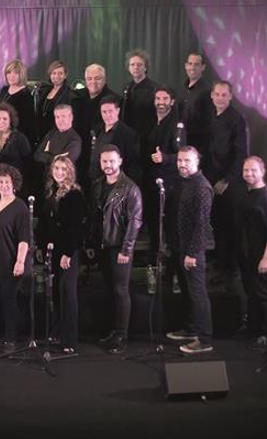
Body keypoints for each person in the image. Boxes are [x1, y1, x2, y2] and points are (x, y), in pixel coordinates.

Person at [86, 146, 142, 354]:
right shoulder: (98, 185)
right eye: (104, 162)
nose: (107, 165)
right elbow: (94, 218)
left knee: (120, 291)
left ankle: (122, 336)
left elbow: (135, 222)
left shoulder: (130, 188)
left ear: (120, 161)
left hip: (119, 247)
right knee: (111, 291)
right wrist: (91, 244)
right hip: (103, 246)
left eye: (111, 161)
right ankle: (113, 331)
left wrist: (126, 250)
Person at [165, 146, 215, 354]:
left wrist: (193, 253)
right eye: (179, 161)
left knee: (197, 293)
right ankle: (191, 329)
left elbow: (202, 224)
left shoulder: (202, 187)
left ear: (197, 162)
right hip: (179, 246)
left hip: (192, 250)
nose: (182, 164)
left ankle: (204, 339)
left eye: (187, 161)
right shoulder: (182, 183)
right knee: (186, 291)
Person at [205, 81, 249, 293]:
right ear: (212, 96)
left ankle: (230, 271)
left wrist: (226, 180)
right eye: (217, 94)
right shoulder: (211, 116)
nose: (220, 97)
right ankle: (220, 265)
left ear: (230, 97)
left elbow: (241, 154)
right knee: (217, 226)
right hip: (211, 180)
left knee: (230, 228)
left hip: (228, 183)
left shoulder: (236, 119)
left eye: (224, 94)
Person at [39, 156, 85, 354]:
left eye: (63, 169)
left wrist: (67, 253)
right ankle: (58, 332)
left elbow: (75, 227)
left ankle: (70, 340)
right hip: (54, 250)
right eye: (56, 168)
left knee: (68, 293)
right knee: (57, 293)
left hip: (68, 251)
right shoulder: (51, 192)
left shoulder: (74, 194)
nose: (59, 172)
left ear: (69, 172)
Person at [236, 156, 267, 349]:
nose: (249, 174)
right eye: (246, 170)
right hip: (247, 253)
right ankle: (254, 327)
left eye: (253, 170)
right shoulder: (248, 193)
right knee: (252, 292)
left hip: (260, 254)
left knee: (264, 294)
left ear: (262, 172)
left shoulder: (266, 197)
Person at [0, 164, 32, 351]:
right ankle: (8, 335)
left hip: (14, 262)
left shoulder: (20, 207)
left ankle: (12, 340)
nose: (4, 185)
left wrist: (20, 261)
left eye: (7, 182)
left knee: (12, 301)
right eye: (1, 182)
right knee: (5, 300)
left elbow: (24, 239)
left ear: (14, 184)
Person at [143, 87, 184, 270]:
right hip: (151, 183)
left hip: (171, 185)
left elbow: (184, 156)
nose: (160, 102)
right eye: (158, 98)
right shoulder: (151, 122)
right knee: (153, 227)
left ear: (172, 101)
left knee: (171, 229)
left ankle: (176, 271)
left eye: (165, 98)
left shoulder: (177, 126)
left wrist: (165, 158)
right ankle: (155, 267)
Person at [71, 63, 118, 162]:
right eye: (89, 78)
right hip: (78, 150)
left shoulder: (115, 100)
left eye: (97, 78)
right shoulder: (76, 97)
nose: (93, 82)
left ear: (105, 80)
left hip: (101, 151)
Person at [90, 95, 140, 185]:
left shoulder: (128, 134)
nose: (107, 115)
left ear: (118, 111)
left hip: (117, 183)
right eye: (104, 112)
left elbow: (132, 165)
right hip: (97, 183)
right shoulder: (97, 130)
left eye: (110, 111)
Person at [34, 104, 82, 192]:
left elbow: (65, 162)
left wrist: (47, 154)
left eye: (63, 116)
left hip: (65, 186)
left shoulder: (75, 139)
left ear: (71, 117)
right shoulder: (51, 134)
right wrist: (54, 158)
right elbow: (37, 155)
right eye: (57, 117)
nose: (60, 120)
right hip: (47, 183)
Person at [0, 59, 36, 146]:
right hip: (0, 135)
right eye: (9, 73)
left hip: (16, 139)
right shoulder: (4, 90)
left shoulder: (26, 95)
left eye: (15, 73)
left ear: (21, 75)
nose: (11, 76)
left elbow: (27, 124)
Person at [120, 49, 159, 141]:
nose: (135, 67)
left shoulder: (154, 88)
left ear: (145, 68)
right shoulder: (127, 87)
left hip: (146, 137)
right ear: (128, 68)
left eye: (139, 64)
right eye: (132, 65)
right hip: (128, 136)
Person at [179, 51, 213, 152]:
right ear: (186, 66)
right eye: (190, 64)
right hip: (182, 140)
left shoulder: (208, 90)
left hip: (199, 144)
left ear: (203, 67)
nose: (192, 67)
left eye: (196, 64)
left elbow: (209, 121)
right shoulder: (182, 88)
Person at [0, 102, 32, 178]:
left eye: (5, 119)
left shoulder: (20, 138)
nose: (1, 121)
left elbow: (28, 164)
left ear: (10, 121)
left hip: (17, 181)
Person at [37, 60, 72, 140]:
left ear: (65, 75)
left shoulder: (68, 94)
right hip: (42, 133)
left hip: (57, 135)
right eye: (54, 73)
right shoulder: (45, 90)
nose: (56, 76)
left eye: (60, 73)